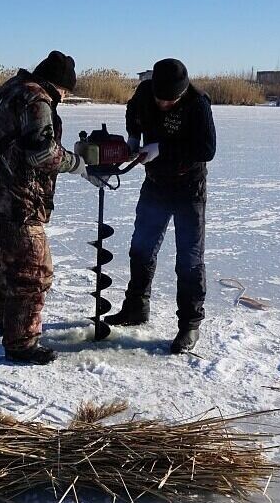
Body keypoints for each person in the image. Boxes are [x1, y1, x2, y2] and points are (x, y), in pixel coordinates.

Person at [0, 50, 102, 365]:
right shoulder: (37, 99)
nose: (66, 97)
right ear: (60, 86)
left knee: (5, 270)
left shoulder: (11, 89)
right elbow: (41, 153)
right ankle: (22, 344)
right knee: (33, 273)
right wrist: (77, 164)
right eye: (67, 92)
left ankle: (11, 329)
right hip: (16, 203)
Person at [104, 58, 216, 354]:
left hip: (189, 188)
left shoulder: (197, 103)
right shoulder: (144, 93)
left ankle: (189, 324)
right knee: (141, 247)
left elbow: (207, 149)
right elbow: (133, 112)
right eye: (160, 98)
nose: (165, 104)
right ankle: (136, 307)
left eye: (171, 100)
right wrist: (133, 137)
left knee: (189, 260)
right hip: (155, 184)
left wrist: (162, 147)